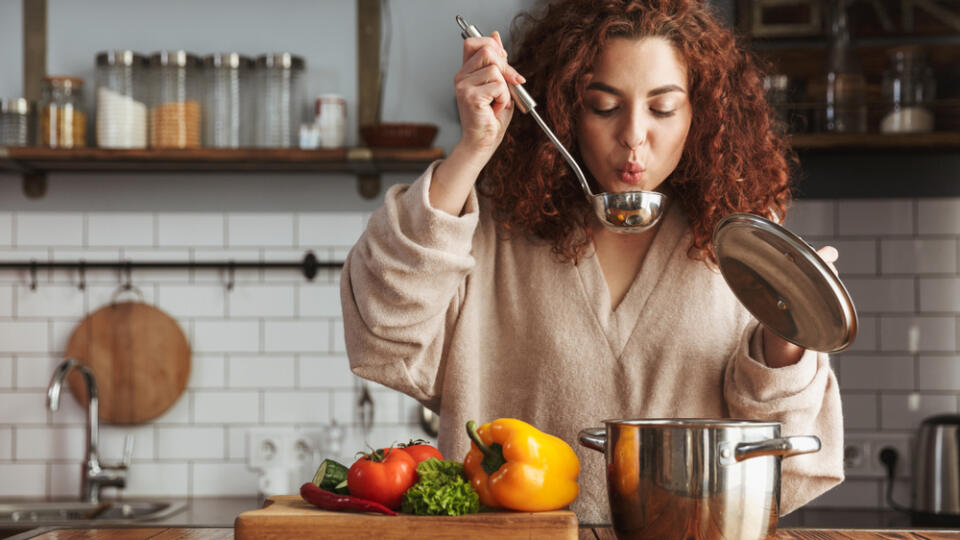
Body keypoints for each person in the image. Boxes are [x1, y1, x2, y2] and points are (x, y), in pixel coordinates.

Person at [341, 0, 843, 523]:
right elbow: (383, 326)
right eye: (603, 106)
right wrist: (471, 150)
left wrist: (786, 341)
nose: (633, 135)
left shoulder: (741, 242)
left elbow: (784, 448)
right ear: (564, 109)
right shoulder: (492, 227)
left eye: (663, 109)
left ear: (702, 114)